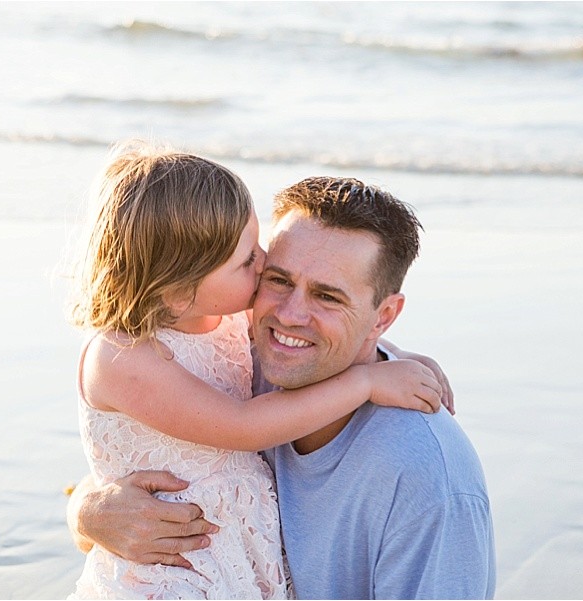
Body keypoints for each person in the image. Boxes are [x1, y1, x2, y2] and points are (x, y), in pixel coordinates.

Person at [69, 176, 496, 599]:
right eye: (277, 279)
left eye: (327, 297)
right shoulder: (247, 359)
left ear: (382, 317)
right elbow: (137, 465)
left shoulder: (430, 483)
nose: (289, 316)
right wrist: (88, 514)